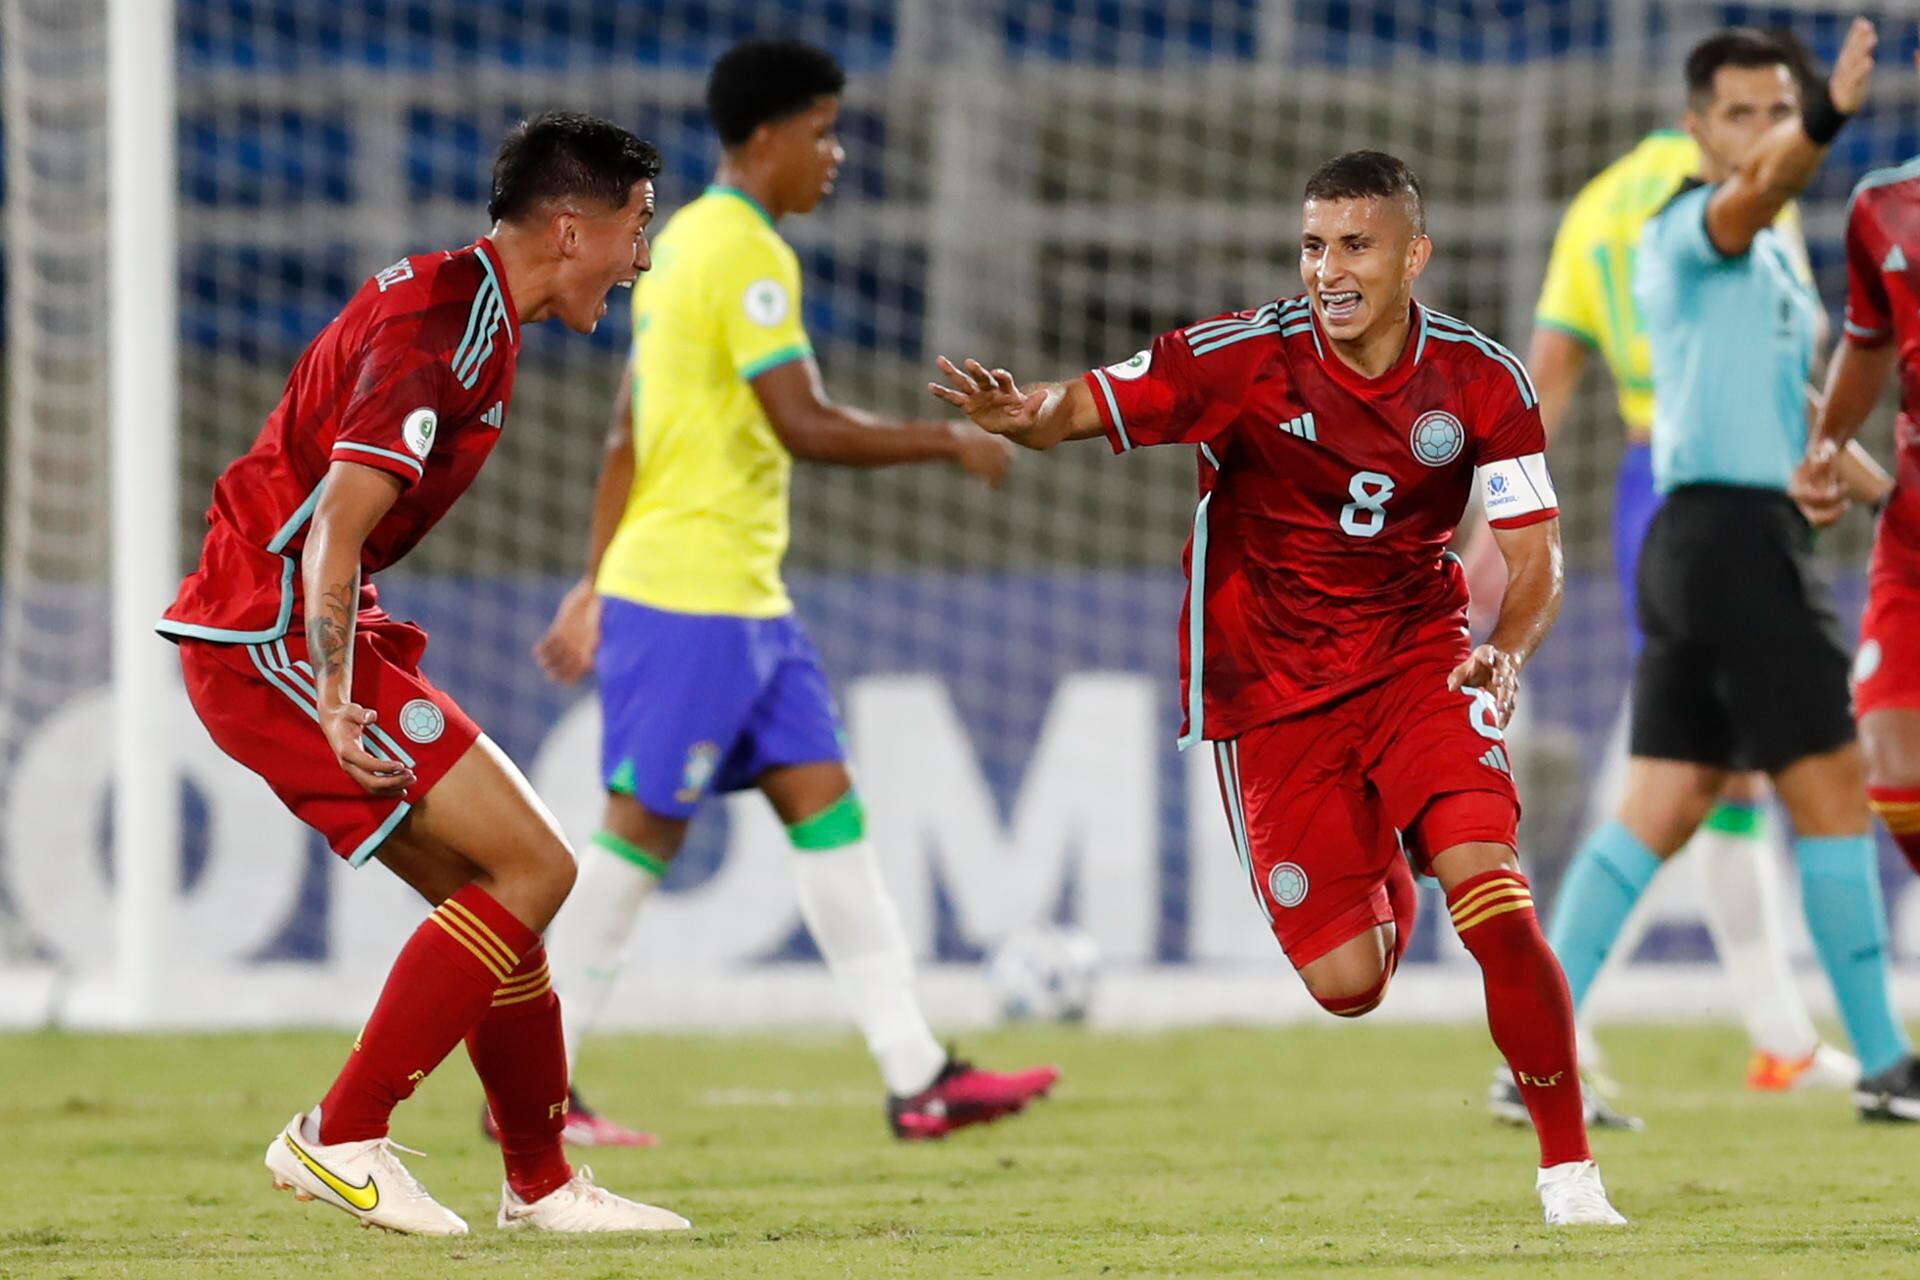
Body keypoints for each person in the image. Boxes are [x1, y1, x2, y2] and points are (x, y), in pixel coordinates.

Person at [931, 150, 1625, 1226]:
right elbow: (1089, 401)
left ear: (1414, 256)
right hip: (1271, 692)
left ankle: (1570, 1175)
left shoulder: (1485, 381)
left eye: (1357, 245)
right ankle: (1396, 853)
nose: (1329, 270)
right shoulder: (1242, 357)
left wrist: (1510, 648)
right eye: (1314, 246)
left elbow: (1536, 562)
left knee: (1491, 889)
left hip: (1418, 659)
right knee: (1348, 984)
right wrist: (1028, 414)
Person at [158, 112, 689, 1234]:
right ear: (567, 226)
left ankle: (541, 1185)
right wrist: (340, 691)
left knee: (498, 894)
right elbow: (334, 531)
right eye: (636, 226)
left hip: (280, 623)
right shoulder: (441, 323)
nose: (642, 255)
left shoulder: (478, 310)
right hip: (271, 633)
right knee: (537, 865)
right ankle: (338, 1131)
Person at [530, 37, 1059, 1146]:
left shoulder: (675, 249)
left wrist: (589, 581)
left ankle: (918, 1074)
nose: (836, 154)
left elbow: (631, 425)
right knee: (638, 834)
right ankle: (535, 1082)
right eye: (822, 131)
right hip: (691, 597)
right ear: (767, 139)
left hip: (741, 599)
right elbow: (802, 421)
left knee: (830, 811)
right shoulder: (748, 254)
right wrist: (947, 441)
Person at [1547, 20, 1920, 1123]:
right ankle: (1891, 1062)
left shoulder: (1767, 255)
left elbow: (1802, 415)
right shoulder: (1693, 223)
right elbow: (1757, 192)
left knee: (1662, 802)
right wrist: (1829, 117)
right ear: (1697, 128)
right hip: (1732, 543)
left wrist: (1874, 491)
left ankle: (1537, 1042)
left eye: (1778, 111)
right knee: (1837, 786)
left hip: (1703, 540)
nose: (1761, 133)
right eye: (1741, 115)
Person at [1463, 116, 1857, 1123]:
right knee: (1681, 778)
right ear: (1713, 117)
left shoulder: (1598, 205)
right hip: (1712, 489)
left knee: (1718, 773)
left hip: (1658, 493)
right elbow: (1790, 357)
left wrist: (1488, 537)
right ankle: (1560, 1028)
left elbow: (1543, 382)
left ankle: (1775, 1036)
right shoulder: (1750, 196)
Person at [1794, 52, 1920, 1126]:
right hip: (1913, 537)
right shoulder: (1883, 208)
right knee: (1890, 759)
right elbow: (1870, 343)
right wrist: (1830, 438)